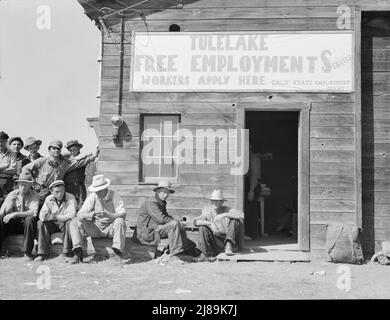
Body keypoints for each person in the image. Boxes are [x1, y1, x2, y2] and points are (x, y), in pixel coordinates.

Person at [21, 139, 99, 208]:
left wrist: (93, 157)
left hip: (54, 193)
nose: (56, 151)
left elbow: (79, 163)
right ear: (49, 150)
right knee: (35, 213)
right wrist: (32, 183)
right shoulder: (42, 161)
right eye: (54, 148)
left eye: (58, 149)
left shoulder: (64, 164)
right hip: (39, 192)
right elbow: (26, 169)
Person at [135, 180, 200, 262]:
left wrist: (178, 222)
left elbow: (165, 217)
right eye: (163, 192)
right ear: (158, 191)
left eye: (167, 193)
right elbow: (161, 218)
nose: (165, 195)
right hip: (147, 232)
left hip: (154, 229)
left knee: (179, 226)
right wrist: (176, 221)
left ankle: (184, 250)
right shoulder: (152, 202)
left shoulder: (161, 202)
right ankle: (175, 254)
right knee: (174, 225)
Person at [69, 174, 127, 264]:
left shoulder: (115, 195)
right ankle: (77, 253)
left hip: (110, 229)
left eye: (100, 191)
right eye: (96, 191)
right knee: (75, 222)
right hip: (95, 228)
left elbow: (123, 214)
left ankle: (117, 253)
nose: (98, 193)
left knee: (120, 221)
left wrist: (110, 215)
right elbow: (80, 214)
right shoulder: (93, 196)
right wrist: (92, 214)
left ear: (106, 188)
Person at [35, 180, 77, 262]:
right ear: (51, 191)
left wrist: (56, 217)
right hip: (53, 224)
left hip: (65, 223)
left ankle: (66, 252)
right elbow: (41, 214)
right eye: (57, 192)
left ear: (64, 189)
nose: (60, 194)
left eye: (61, 191)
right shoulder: (48, 199)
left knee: (69, 223)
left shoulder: (70, 197)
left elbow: (72, 215)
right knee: (40, 223)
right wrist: (46, 217)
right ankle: (42, 254)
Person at [0, 172, 39, 260]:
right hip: (13, 223)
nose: (23, 187)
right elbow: (2, 214)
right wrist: (9, 205)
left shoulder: (34, 195)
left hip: (27, 225)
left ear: (30, 185)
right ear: (18, 185)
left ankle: (27, 252)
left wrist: (16, 213)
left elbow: (33, 212)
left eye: (25, 184)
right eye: (21, 184)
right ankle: (1, 251)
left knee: (30, 219)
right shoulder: (12, 194)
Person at [194, 189, 244, 257]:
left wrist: (225, 214)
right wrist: (210, 224)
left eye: (218, 201)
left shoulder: (226, 209)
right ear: (211, 201)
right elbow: (196, 222)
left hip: (228, 239)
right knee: (202, 227)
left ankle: (228, 245)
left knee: (235, 221)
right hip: (216, 241)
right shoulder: (207, 211)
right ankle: (204, 253)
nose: (216, 203)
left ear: (222, 202)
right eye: (214, 201)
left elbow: (241, 215)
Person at [63, 140, 91, 208]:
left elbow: (89, 155)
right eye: (70, 150)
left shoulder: (83, 158)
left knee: (81, 203)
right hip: (68, 186)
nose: (72, 152)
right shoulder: (66, 160)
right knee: (69, 204)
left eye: (74, 150)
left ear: (78, 149)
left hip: (79, 185)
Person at [0, 131, 16, 204]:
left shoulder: (12, 153)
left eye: (2, 141)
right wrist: (5, 166)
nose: (0, 144)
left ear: (6, 142)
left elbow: (13, 170)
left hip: (7, 181)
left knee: (7, 202)